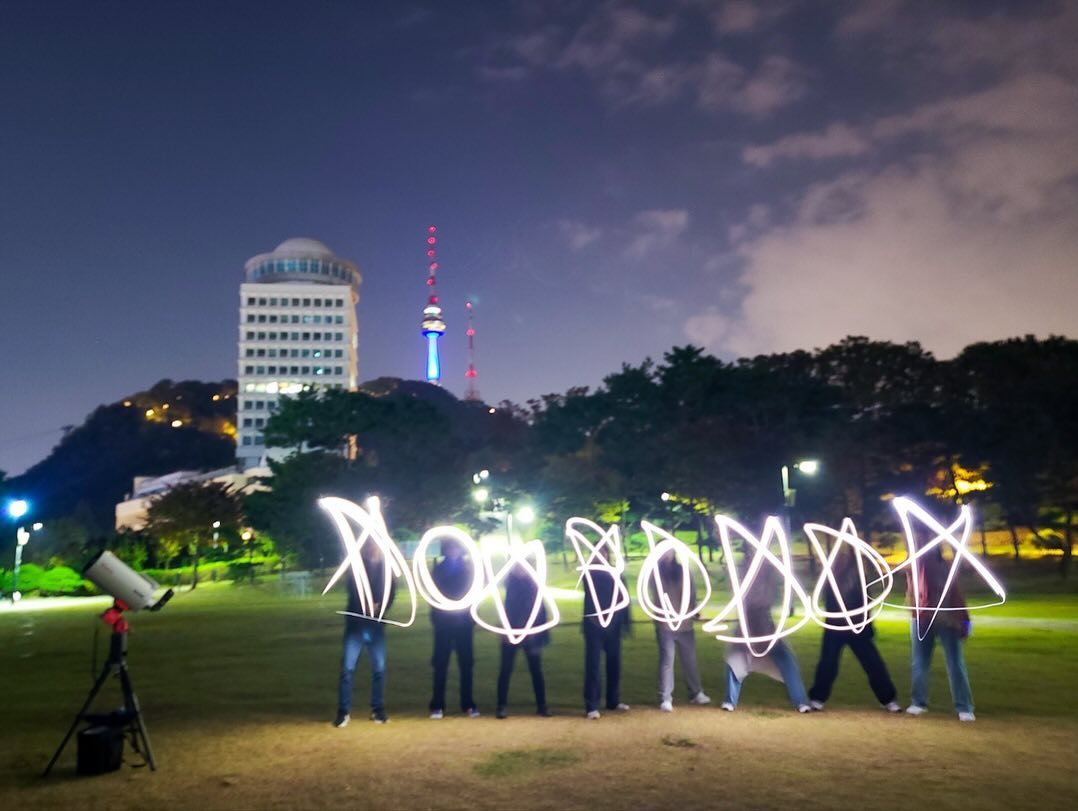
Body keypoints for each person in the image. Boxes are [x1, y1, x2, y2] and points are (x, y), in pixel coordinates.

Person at [808, 544, 900, 712]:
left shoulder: (858, 577)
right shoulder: (831, 577)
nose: (841, 559)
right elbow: (828, 601)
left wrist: (867, 624)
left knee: (873, 663)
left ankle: (888, 699)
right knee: (828, 663)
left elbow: (866, 600)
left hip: (857, 626)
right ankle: (817, 698)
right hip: (835, 627)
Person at [721, 562, 811, 713]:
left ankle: (801, 701)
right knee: (734, 661)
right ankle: (730, 701)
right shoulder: (745, 578)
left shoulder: (768, 581)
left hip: (765, 627)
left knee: (787, 661)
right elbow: (742, 597)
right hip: (746, 627)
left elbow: (768, 598)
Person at [906, 545, 976, 722]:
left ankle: (964, 706)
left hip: (948, 619)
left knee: (955, 663)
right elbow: (914, 590)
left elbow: (957, 594)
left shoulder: (946, 567)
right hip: (923, 618)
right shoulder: (918, 565)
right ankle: (919, 702)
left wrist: (964, 619)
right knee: (920, 662)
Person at [334, 542, 394, 727]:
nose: (373, 548)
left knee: (379, 669)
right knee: (347, 668)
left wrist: (380, 606)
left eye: (375, 545)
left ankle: (378, 710)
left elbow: (390, 592)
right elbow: (353, 589)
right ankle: (343, 712)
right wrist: (365, 606)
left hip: (376, 625)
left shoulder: (386, 569)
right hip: (356, 625)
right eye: (370, 545)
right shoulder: (357, 566)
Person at [649, 550, 710, 712]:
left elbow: (691, 594)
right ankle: (665, 697)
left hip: (684, 624)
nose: (667, 554)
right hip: (665, 624)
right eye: (664, 551)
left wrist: (694, 611)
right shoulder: (655, 572)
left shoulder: (683, 571)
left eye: (669, 551)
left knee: (690, 660)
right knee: (667, 660)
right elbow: (656, 595)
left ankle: (696, 692)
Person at [428, 538, 480, 719]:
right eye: (450, 547)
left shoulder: (468, 569)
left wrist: (472, 616)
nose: (453, 550)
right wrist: (437, 617)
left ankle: (468, 703)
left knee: (466, 665)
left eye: (455, 547)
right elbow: (433, 596)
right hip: (444, 624)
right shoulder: (439, 570)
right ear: (446, 549)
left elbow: (474, 594)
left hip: (463, 624)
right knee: (441, 664)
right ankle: (437, 705)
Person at [496, 562, 552, 719]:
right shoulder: (511, 584)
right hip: (511, 631)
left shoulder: (534, 585)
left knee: (536, 671)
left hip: (531, 634)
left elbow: (540, 610)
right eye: (517, 567)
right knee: (505, 670)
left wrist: (541, 634)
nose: (520, 570)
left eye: (522, 567)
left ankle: (542, 705)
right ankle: (501, 706)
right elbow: (507, 608)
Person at [581, 568, 631, 719]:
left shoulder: (616, 572)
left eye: (603, 553)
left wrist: (625, 623)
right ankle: (592, 705)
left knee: (614, 665)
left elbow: (623, 597)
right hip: (594, 626)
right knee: (593, 666)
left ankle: (613, 700)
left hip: (613, 626)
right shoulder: (590, 573)